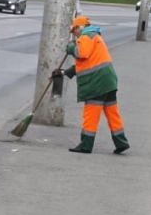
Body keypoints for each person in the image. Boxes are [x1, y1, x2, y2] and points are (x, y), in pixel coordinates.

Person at [53, 15, 129, 154]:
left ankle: (86, 145)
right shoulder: (96, 36)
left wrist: (70, 49)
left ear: (78, 28)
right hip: (108, 81)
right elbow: (87, 64)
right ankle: (121, 142)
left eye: (74, 31)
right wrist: (64, 73)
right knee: (113, 113)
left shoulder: (86, 37)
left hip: (97, 83)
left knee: (91, 115)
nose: (74, 34)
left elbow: (82, 54)